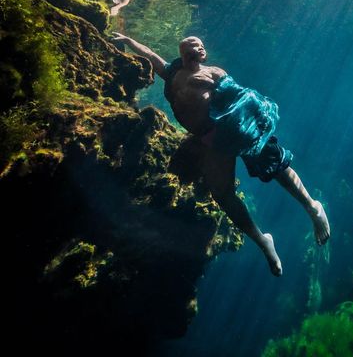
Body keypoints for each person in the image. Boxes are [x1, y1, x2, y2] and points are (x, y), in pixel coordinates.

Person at [111, 32, 330, 276]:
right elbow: (151, 56)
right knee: (222, 194)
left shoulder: (214, 72)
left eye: (202, 45)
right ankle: (263, 240)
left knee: (276, 165)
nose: (200, 47)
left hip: (231, 132)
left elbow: (244, 100)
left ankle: (312, 207)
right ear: (184, 51)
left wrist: (250, 131)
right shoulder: (172, 73)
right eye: (195, 44)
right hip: (209, 142)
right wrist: (129, 41)